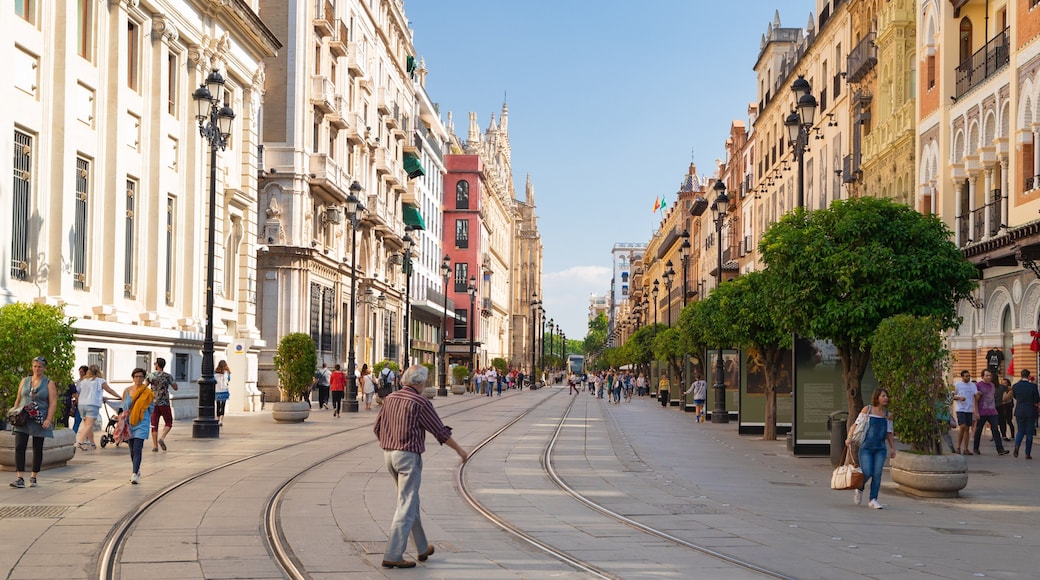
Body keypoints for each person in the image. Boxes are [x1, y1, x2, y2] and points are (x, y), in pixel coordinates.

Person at [373, 365, 468, 568]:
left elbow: (377, 427)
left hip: (388, 455)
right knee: (406, 504)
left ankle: (422, 547)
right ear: (420, 382)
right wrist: (460, 450)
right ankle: (393, 554)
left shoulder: (390, 398)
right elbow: (439, 431)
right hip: (408, 457)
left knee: (410, 500)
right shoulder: (420, 402)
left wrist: (390, 443)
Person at [9, 357, 57, 489]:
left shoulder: (48, 383)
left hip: (38, 418)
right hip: (23, 417)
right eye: (35, 366)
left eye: (40, 367)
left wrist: (48, 419)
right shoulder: (25, 381)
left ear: (44, 368)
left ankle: (34, 476)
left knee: (37, 447)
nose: (37, 369)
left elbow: (53, 403)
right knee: (19, 447)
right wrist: (14, 413)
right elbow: (19, 399)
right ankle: (19, 477)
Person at [846, 388, 896, 509]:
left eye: (886, 396)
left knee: (877, 473)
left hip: (880, 448)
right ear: (877, 397)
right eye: (883, 396)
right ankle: (860, 487)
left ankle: (873, 499)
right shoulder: (867, 410)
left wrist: (892, 448)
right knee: (867, 471)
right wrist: (849, 437)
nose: (886, 398)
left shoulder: (888, 415)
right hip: (866, 447)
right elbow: (856, 425)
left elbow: (889, 432)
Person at [75, 365, 120, 451]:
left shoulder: (83, 381)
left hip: (81, 405)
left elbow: (79, 391)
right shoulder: (100, 381)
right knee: (88, 425)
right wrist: (120, 397)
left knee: (87, 426)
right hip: (92, 404)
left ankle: (92, 444)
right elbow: (110, 390)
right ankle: (80, 442)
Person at [123, 368, 155, 484]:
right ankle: (136, 469)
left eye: (141, 377)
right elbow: (124, 407)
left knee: (137, 448)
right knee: (132, 450)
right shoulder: (127, 391)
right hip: (129, 422)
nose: (138, 379)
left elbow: (151, 408)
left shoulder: (148, 393)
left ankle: (134, 473)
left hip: (142, 422)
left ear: (144, 378)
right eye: (136, 376)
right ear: (133, 378)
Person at [972, 369, 1009, 455]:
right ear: (982, 377)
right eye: (986, 376)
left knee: (995, 429)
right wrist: (976, 411)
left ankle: (1000, 449)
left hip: (992, 411)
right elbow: (975, 399)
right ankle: (975, 447)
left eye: (990, 376)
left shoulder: (992, 385)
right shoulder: (978, 385)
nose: (989, 377)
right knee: (979, 430)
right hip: (982, 411)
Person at [148, 358, 178, 452]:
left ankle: (155, 446)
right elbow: (175, 387)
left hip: (153, 403)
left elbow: (144, 386)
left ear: (157, 365)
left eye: (155, 363)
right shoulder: (167, 376)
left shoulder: (151, 376)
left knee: (154, 424)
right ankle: (162, 438)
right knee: (169, 422)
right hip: (164, 403)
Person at [1011, 369, 1040, 458]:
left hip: (1019, 410)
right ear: (1028, 376)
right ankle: (1027, 453)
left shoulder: (1015, 386)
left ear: (1021, 375)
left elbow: (1015, 396)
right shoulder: (1033, 386)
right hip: (1030, 410)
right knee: (1029, 433)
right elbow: (1037, 399)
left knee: (1020, 431)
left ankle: (1017, 445)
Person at [952, 370, 978, 455]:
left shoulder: (972, 385)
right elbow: (951, 395)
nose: (968, 377)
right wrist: (959, 398)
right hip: (960, 408)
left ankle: (966, 449)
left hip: (969, 409)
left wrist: (979, 395)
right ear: (962, 377)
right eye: (966, 376)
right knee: (962, 426)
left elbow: (976, 395)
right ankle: (958, 447)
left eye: (969, 376)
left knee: (967, 428)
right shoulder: (957, 385)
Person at [996, 377, 1015, 442]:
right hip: (1001, 406)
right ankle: (1003, 435)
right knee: (1001, 421)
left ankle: (1012, 436)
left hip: (1007, 407)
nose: (1003, 384)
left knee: (1009, 421)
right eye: (1002, 383)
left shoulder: (1009, 390)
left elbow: (1005, 399)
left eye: (1005, 383)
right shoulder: (1000, 389)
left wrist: (999, 398)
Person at [71, 365, 88, 432]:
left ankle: (87, 437)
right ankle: (73, 435)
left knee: (86, 421)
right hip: (79, 402)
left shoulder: (87, 382)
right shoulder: (78, 381)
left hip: (85, 402)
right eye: (80, 372)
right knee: (77, 420)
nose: (80, 373)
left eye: (82, 372)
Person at [215, 360, 231, 426]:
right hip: (224, 390)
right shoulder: (227, 373)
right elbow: (229, 380)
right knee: (223, 405)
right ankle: (221, 420)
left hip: (217, 391)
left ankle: (218, 418)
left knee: (218, 405)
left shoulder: (215, 373)